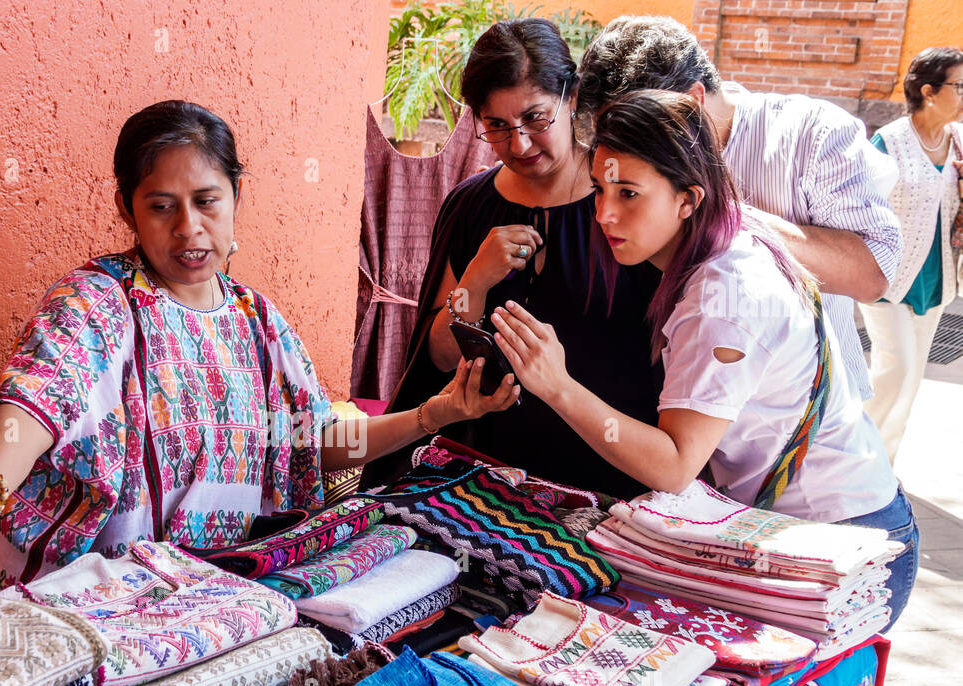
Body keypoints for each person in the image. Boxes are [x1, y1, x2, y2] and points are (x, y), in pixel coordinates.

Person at [0, 100, 517, 604]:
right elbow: (33, 402)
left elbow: (315, 441)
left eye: (207, 201)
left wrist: (433, 417)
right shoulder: (97, 305)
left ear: (237, 195)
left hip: (223, 605)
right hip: (96, 613)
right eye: (161, 207)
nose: (188, 228)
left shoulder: (257, 323)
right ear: (127, 210)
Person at [490, 90, 918, 627]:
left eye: (629, 193)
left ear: (688, 199)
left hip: (839, 542)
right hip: (814, 527)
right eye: (600, 189)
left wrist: (557, 385)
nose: (604, 213)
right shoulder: (725, 244)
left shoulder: (724, 297)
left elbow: (674, 466)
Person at [361, 18, 662, 497]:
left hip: (607, 475)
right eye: (496, 126)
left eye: (536, 118)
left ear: (572, 96)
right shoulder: (469, 205)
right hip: (488, 473)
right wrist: (475, 282)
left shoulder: (626, 201)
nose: (519, 144)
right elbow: (437, 357)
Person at [576, 15, 902, 405]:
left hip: (803, 427)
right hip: (677, 404)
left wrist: (724, 216)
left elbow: (872, 274)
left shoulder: (810, 134)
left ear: (693, 101)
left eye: (638, 133)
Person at [862, 47, 963, 464]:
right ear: (928, 91)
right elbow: (862, 206)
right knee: (895, 371)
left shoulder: (958, 139)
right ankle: (858, 459)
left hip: (937, 277)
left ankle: (885, 464)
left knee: (911, 378)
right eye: (959, 85)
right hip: (889, 278)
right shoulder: (890, 141)